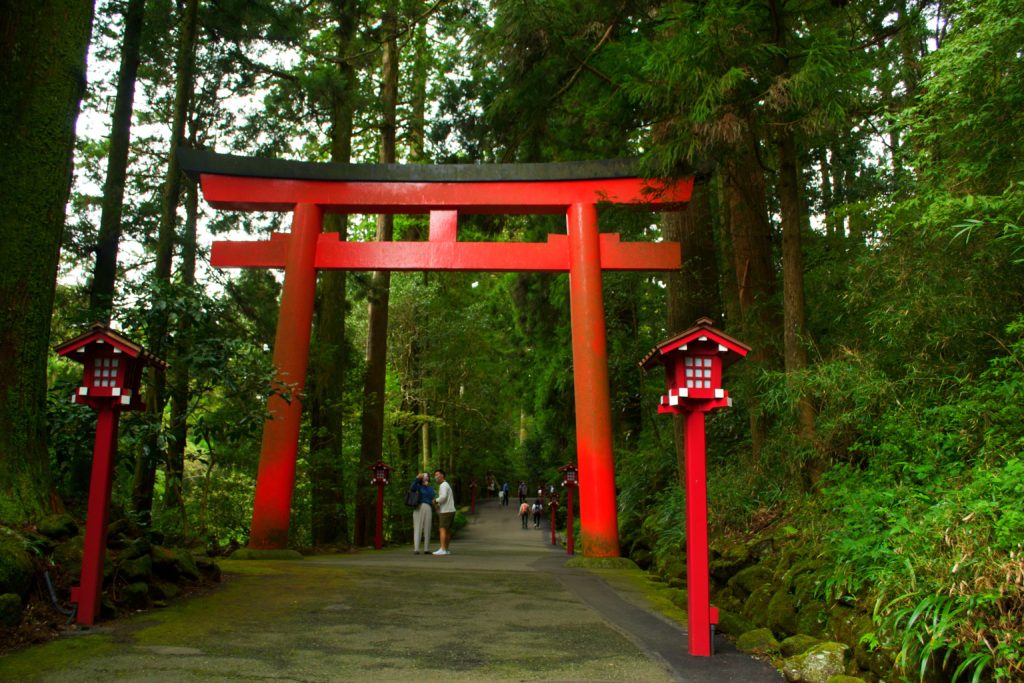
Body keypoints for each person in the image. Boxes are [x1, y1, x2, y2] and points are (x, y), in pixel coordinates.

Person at [409, 473, 435, 554]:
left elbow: (432, 496)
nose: (426, 477)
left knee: (427, 528)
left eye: (427, 476)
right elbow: (412, 488)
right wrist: (417, 478)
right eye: (424, 475)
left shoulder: (430, 488)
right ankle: (416, 549)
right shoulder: (417, 486)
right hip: (418, 507)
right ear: (421, 478)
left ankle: (426, 549)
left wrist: (427, 486)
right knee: (418, 527)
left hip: (428, 507)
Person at [432, 469, 455, 555]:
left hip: (446, 511)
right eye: (435, 475)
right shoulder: (446, 485)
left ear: (442, 475)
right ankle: (446, 549)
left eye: (437, 474)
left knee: (442, 529)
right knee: (447, 530)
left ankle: (442, 549)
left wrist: (436, 500)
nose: (436, 477)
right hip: (450, 510)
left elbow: (444, 497)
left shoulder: (443, 485)